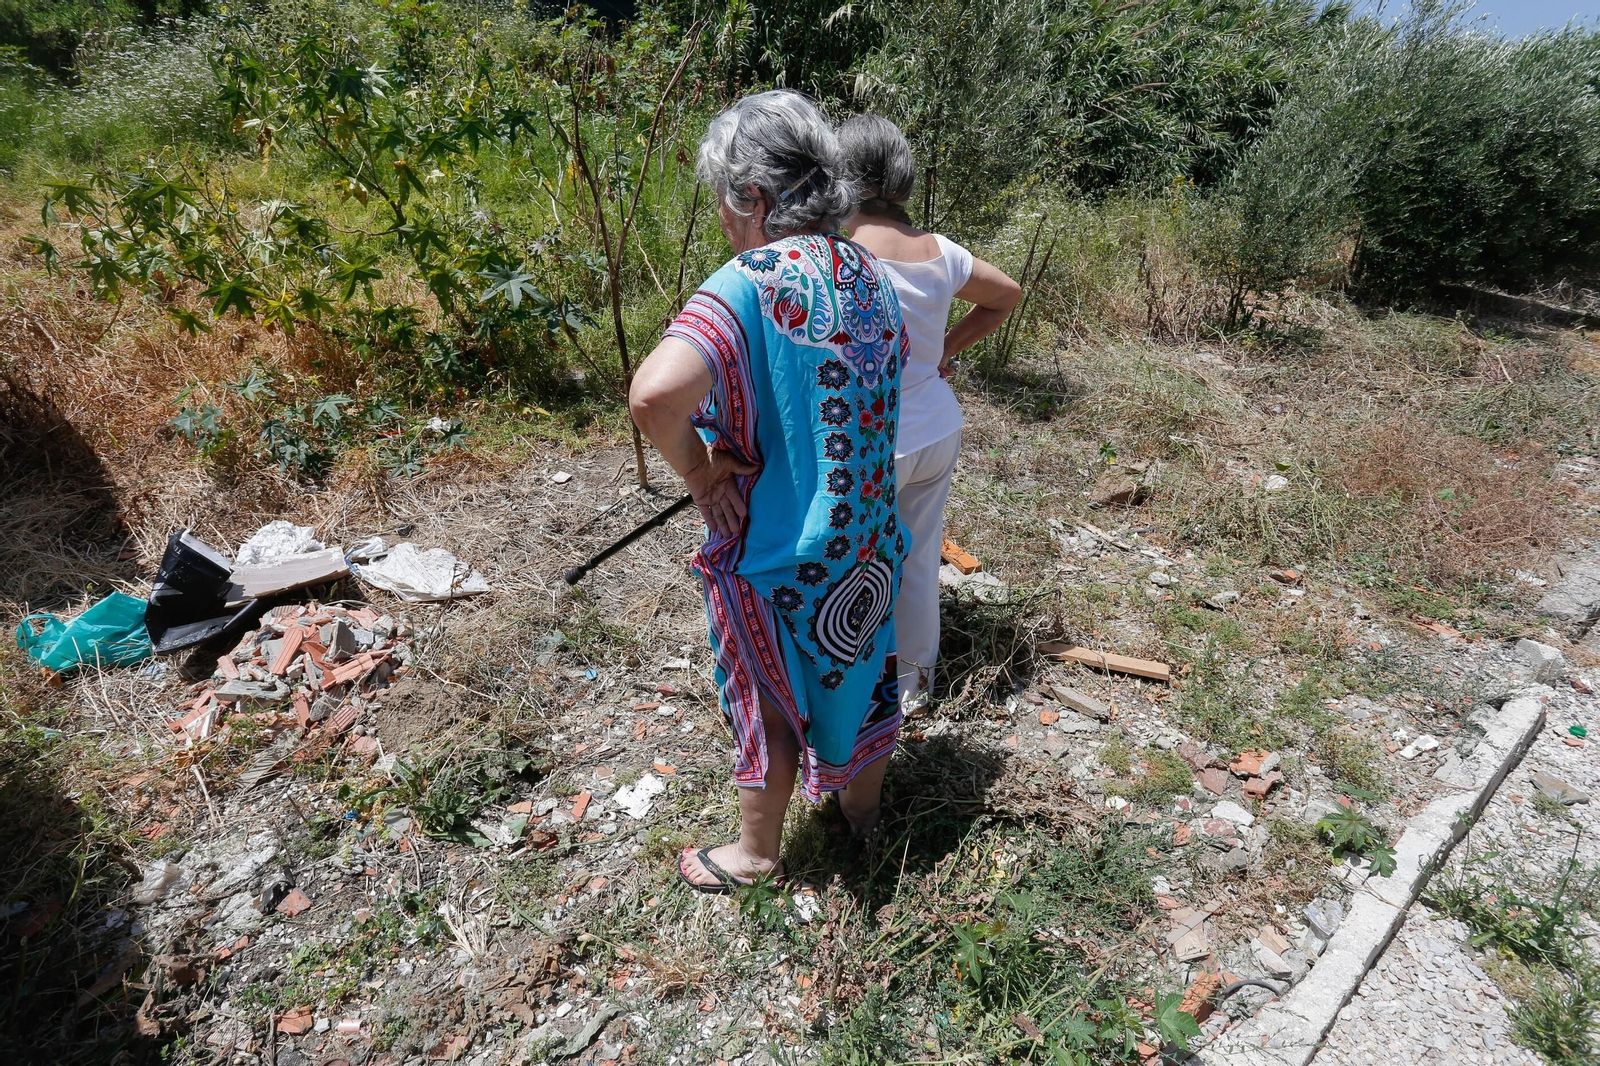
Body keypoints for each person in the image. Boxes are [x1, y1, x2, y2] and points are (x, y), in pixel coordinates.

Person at [629, 91, 910, 890]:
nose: (722, 217)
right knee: (861, 672)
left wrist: (698, 471)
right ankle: (863, 816)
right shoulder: (870, 271)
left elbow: (654, 395)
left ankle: (756, 854)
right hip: (868, 537)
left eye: (724, 198)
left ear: (752, 196)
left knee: (765, 696)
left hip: (775, 552)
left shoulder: (749, 278)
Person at [837, 114, 1021, 712]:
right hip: (938, 428)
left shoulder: (836, 255)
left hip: (870, 443)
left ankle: (855, 691)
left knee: (853, 565)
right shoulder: (941, 251)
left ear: (841, 176)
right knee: (918, 557)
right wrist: (943, 349)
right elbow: (1007, 295)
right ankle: (915, 687)